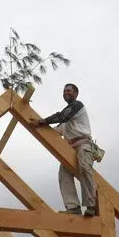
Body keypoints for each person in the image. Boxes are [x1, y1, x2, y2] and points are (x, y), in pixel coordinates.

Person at [31, 83, 97, 217]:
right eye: (64, 91)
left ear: (76, 93)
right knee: (63, 175)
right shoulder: (66, 122)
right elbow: (54, 131)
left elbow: (62, 116)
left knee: (84, 167)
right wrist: (36, 127)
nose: (66, 93)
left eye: (69, 91)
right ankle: (73, 208)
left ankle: (91, 205)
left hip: (83, 144)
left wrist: (41, 121)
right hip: (70, 149)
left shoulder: (78, 106)